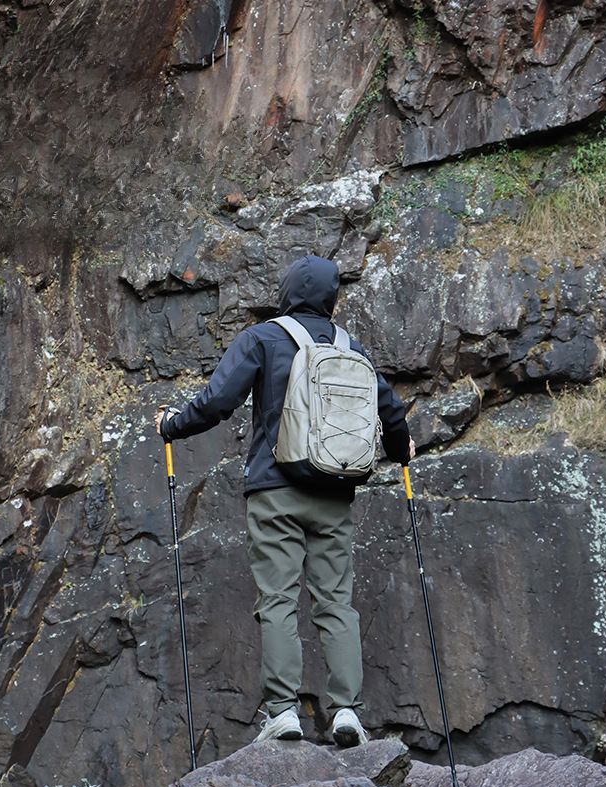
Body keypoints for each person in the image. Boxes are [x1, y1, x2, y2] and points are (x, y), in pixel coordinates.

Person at [156, 254, 414, 746]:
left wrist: (172, 425)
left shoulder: (263, 338)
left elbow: (216, 402)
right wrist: (401, 450)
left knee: (278, 600)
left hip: (275, 492)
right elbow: (391, 409)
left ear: (288, 290)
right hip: (334, 496)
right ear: (331, 297)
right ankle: (347, 714)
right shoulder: (350, 346)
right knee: (336, 602)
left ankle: (283, 712)